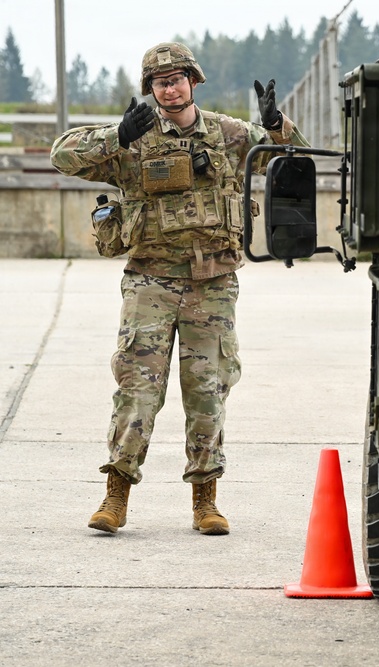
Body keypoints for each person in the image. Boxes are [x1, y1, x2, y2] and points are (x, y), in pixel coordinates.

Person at [50, 42, 308, 536]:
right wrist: (115, 135)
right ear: (151, 90)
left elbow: (288, 160)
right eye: (159, 81)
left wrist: (276, 124)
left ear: (193, 81)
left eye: (177, 78)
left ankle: (205, 499)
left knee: (207, 392)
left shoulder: (229, 134)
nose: (169, 87)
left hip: (212, 284)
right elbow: (63, 156)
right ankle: (116, 494)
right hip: (150, 281)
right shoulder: (134, 137)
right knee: (137, 390)